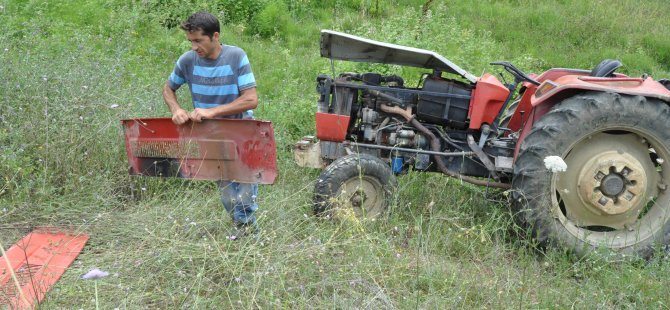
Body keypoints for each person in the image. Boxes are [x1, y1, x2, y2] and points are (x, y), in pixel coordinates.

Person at [162, 11, 259, 240]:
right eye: (191, 41)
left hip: (241, 130)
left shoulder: (236, 56)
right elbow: (168, 89)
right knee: (226, 192)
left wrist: (211, 111)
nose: (194, 47)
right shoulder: (187, 61)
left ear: (215, 36)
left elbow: (250, 98)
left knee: (245, 191)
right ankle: (241, 230)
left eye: (199, 41)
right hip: (211, 135)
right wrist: (176, 109)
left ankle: (248, 235)